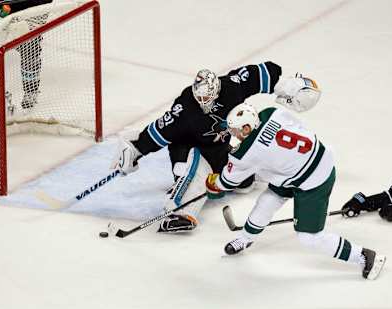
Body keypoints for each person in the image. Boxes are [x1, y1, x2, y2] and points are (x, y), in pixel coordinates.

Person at [112, 62, 312, 233]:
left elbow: (261, 73)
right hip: (189, 150)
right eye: (200, 98)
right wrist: (135, 149)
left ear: (216, 90)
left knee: (245, 179)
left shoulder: (232, 87)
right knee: (194, 169)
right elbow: (159, 130)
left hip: (220, 148)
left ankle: (292, 176)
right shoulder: (184, 109)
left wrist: (286, 86)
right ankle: (180, 213)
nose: (203, 102)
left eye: (207, 98)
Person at [205, 98, 386, 280]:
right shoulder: (271, 113)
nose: (234, 135)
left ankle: (364, 256)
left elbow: (226, 183)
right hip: (309, 161)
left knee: (309, 237)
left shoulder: (245, 153)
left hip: (315, 182)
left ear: (246, 128)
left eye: (236, 131)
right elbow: (300, 127)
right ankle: (245, 238)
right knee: (267, 201)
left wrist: (214, 184)